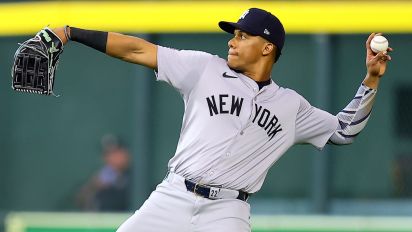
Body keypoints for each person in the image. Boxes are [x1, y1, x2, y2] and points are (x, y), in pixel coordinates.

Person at [51, 7, 392, 232]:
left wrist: (371, 79)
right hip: (174, 195)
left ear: (267, 47)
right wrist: (71, 32)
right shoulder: (204, 68)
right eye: (234, 34)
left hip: (228, 211)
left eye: (244, 36)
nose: (232, 41)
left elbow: (345, 130)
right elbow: (137, 49)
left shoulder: (292, 106)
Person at [76, 135, 131, 212]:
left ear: (125, 153)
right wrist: (93, 186)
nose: (113, 157)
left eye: (116, 152)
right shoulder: (100, 176)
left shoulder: (138, 175)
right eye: (108, 154)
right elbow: (80, 200)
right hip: (103, 220)